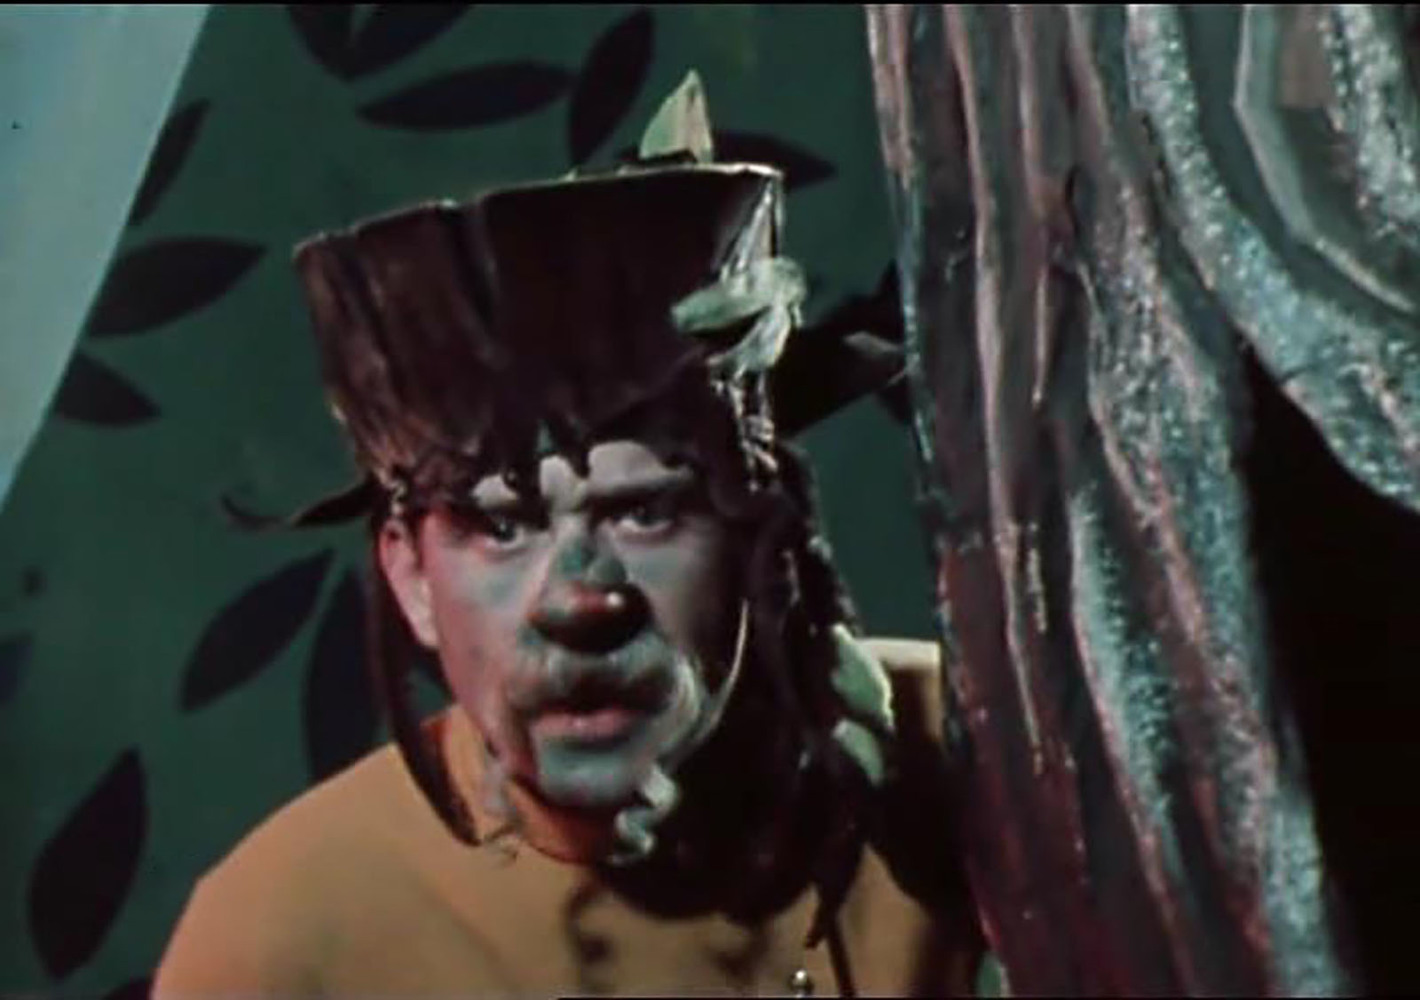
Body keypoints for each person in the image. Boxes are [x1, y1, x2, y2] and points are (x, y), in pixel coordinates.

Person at [155, 76, 979, 998]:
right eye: (503, 527)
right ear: (411, 577)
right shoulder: (287, 937)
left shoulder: (987, 763)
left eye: (644, 512)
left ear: (759, 541)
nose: (582, 599)